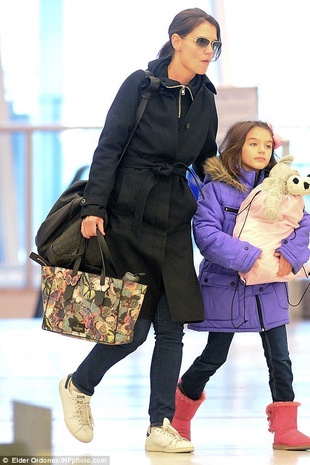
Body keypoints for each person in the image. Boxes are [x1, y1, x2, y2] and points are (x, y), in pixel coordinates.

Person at [59, 8, 222, 453]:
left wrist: (245, 178)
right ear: (177, 41)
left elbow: (205, 160)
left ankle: (159, 425)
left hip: (173, 221)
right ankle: (79, 385)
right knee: (131, 327)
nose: (209, 51)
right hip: (129, 217)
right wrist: (94, 206)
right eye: (202, 42)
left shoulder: (206, 97)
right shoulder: (140, 86)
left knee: (173, 328)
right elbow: (108, 146)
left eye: (214, 44)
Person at [171, 121, 310, 451]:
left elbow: (304, 223)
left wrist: (290, 255)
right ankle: (179, 418)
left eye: (266, 145)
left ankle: (286, 429)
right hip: (226, 287)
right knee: (213, 357)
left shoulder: (283, 187)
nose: (262, 151)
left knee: (280, 358)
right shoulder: (215, 188)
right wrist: (250, 258)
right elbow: (206, 234)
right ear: (235, 148)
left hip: (269, 288)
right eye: (253, 144)